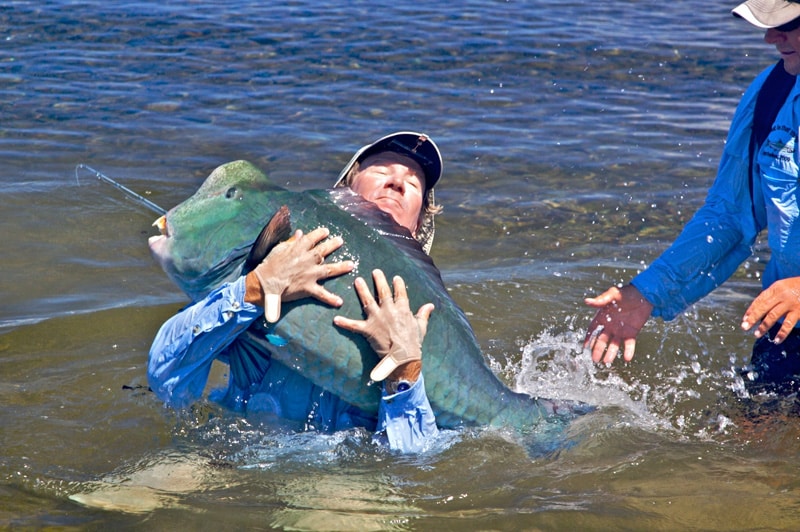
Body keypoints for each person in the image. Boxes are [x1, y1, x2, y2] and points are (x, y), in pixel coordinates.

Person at [148, 132, 443, 452]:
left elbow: (414, 461)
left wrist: (405, 373)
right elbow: (166, 380)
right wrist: (254, 291)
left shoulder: (427, 322)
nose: (397, 181)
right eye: (381, 169)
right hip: (230, 459)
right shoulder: (271, 259)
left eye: (414, 183)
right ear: (343, 190)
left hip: (339, 486)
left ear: (419, 225)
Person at [584, 0, 800, 395]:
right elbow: (730, 217)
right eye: (771, 24)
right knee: (746, 450)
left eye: (789, 24)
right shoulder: (769, 93)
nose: (772, 37)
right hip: (787, 324)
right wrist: (647, 291)